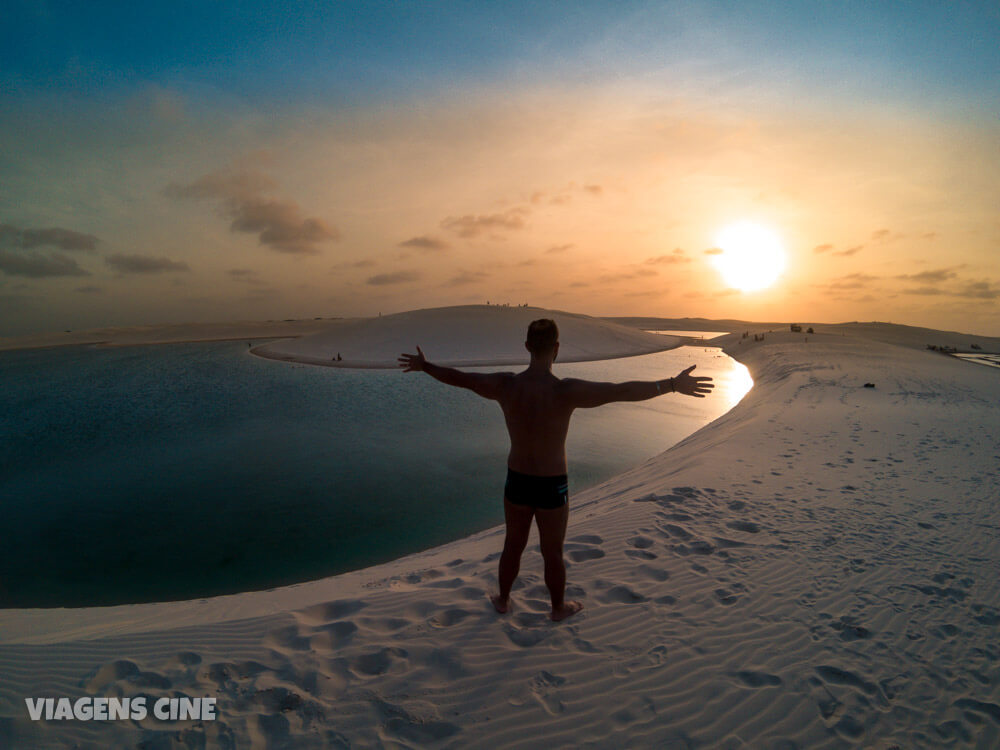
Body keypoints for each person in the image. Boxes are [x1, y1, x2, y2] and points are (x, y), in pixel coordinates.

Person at [398, 319, 714, 622]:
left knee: (513, 544)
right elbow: (620, 390)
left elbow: (462, 378)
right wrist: (671, 384)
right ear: (557, 348)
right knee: (553, 551)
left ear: (526, 347)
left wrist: (425, 366)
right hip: (552, 485)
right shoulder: (566, 391)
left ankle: (503, 600)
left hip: (517, 479)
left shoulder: (505, 386)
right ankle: (558, 608)